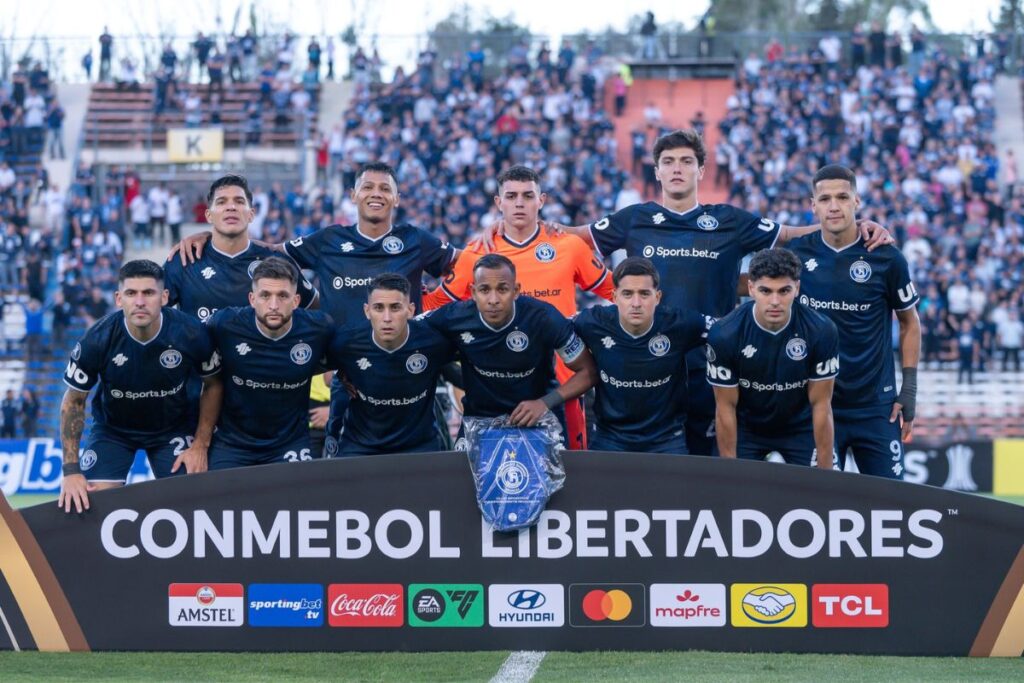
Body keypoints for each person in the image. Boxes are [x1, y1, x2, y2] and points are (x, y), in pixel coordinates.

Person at [539, 129, 890, 457]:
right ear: (657, 172)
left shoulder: (729, 221)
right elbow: (569, 235)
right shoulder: (633, 218)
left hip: (714, 365)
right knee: (661, 472)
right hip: (650, 369)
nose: (677, 169)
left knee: (711, 470)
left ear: (701, 171)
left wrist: (850, 227)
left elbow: (788, 236)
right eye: (669, 162)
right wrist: (512, 224)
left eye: (686, 161)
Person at [424, 165, 613, 449]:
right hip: (496, 390)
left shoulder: (569, 246)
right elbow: (434, 307)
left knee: (571, 471)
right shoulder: (476, 253)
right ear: (499, 202)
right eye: (511, 196)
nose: (520, 203)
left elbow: (617, 292)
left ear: (542, 200)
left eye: (527, 195)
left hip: (564, 384)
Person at [57, 260, 222, 514]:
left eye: (149, 293)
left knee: (193, 504)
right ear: (118, 298)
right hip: (113, 431)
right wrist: (70, 471)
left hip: (173, 429)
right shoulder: (97, 339)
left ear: (164, 297)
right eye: (131, 293)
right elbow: (74, 400)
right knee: (90, 502)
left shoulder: (190, 333)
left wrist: (200, 444)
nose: (140, 301)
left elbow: (213, 384)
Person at [788, 165, 921, 478]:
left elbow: (909, 323)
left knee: (892, 507)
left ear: (856, 202)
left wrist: (910, 388)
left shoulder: (886, 258)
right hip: (817, 404)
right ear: (813, 205)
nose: (834, 205)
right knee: (819, 507)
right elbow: (755, 289)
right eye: (825, 199)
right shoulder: (795, 255)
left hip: (876, 408)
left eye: (842, 197)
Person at [421, 254, 597, 446]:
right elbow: (409, 333)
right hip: (479, 420)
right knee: (461, 476)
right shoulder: (453, 317)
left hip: (539, 417)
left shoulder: (543, 318)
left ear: (516, 291)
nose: (493, 299)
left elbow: (588, 371)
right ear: (472, 292)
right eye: (484, 290)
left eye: (502, 289)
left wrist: (545, 402)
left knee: (551, 475)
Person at [706, 249, 838, 468]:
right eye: (765, 291)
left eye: (784, 291)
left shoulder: (821, 330)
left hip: (800, 426)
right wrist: (729, 474)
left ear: (796, 288)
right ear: (751, 288)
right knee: (730, 495)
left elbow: (822, 405)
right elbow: (725, 406)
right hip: (746, 427)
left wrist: (827, 475)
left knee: (824, 495)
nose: (775, 301)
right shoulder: (725, 333)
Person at [203, 257, 335, 469]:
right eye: (265, 295)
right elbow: (201, 370)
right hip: (232, 444)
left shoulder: (319, 329)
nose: (274, 305)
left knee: (298, 501)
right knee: (218, 500)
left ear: (296, 301)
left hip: (290, 444)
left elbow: (349, 361)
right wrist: (200, 443)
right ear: (252, 299)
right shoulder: (224, 324)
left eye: (283, 296)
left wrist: (344, 383)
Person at [574, 257, 710, 453]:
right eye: (627, 294)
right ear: (614, 296)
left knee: (677, 484)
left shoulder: (681, 323)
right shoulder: (591, 322)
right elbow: (549, 331)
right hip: (610, 437)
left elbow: (729, 331)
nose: (636, 303)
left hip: (666, 438)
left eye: (644, 294)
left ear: (658, 297)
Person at [325, 273, 456, 456]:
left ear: (410, 310)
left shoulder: (434, 341)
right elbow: (316, 371)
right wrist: (340, 376)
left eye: (395, 308)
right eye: (378, 308)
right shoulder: (346, 342)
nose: (387, 318)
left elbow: (471, 364)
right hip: (360, 447)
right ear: (367, 311)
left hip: (419, 447)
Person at [165, 175, 317, 322]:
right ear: (209, 215)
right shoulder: (184, 259)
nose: (231, 207)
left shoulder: (278, 262)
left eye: (239, 201)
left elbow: (316, 308)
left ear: (251, 215)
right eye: (221, 202)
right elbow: (148, 313)